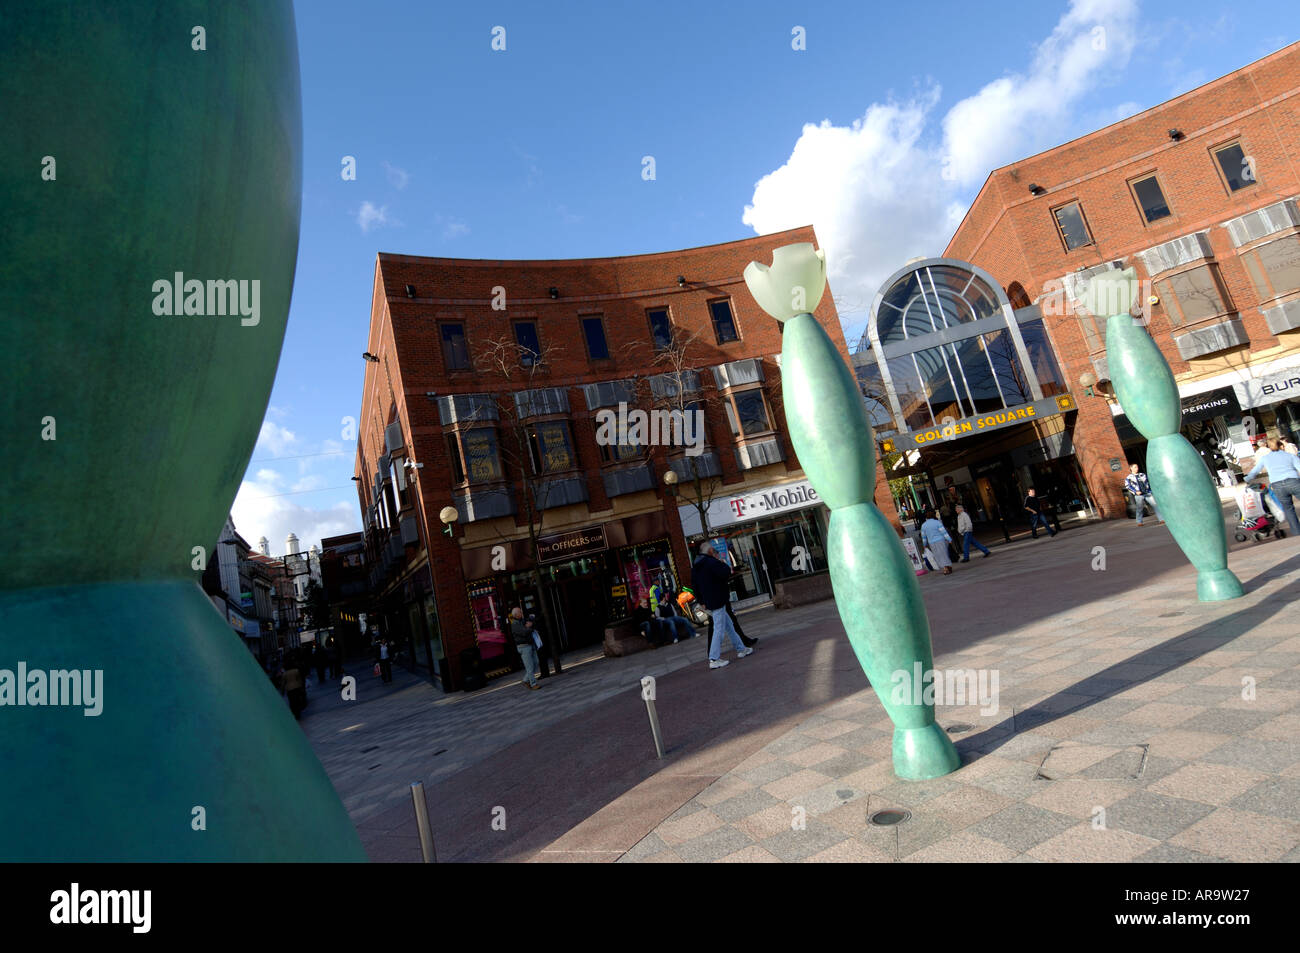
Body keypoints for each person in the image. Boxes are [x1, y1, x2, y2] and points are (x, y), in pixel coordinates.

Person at [690, 542, 752, 669]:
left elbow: (695, 585)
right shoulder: (712, 562)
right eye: (713, 549)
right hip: (718, 599)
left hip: (709, 601)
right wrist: (721, 561)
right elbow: (726, 572)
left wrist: (701, 601)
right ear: (710, 551)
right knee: (719, 629)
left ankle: (741, 649)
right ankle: (714, 658)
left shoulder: (696, 566)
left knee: (729, 626)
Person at [1245, 437, 1300, 534]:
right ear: (1280, 445)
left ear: (1269, 447)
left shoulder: (1265, 458)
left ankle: (1296, 532)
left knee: (1288, 509)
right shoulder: (1289, 456)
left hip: (1278, 486)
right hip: (1293, 482)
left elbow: (1255, 471)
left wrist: (1247, 479)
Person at [509, 607, 540, 690]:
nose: (522, 613)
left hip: (531, 644)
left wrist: (530, 625)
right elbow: (524, 632)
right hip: (524, 647)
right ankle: (533, 684)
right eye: (520, 612)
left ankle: (526, 680)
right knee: (529, 667)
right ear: (515, 614)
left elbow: (532, 625)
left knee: (536, 662)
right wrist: (529, 627)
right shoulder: (514, 624)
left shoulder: (523, 620)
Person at [920, 509, 954, 575]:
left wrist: (924, 545)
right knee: (944, 554)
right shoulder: (937, 522)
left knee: (937, 555)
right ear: (933, 516)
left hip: (931, 543)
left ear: (926, 517)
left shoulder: (923, 525)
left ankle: (945, 567)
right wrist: (949, 539)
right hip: (941, 540)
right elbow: (944, 532)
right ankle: (946, 567)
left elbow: (924, 537)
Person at [283, 652, 307, 719]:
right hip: (296, 687)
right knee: (297, 699)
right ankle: (298, 712)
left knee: (291, 701)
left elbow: (283, 683)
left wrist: (282, 691)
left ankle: (294, 711)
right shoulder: (296, 671)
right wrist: (301, 686)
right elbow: (299, 679)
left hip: (289, 689)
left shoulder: (285, 674)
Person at [528, 613, 552, 678]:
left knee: (541, 658)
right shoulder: (537, 621)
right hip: (539, 642)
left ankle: (545, 673)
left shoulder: (536, 623)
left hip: (539, 642)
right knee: (541, 658)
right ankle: (545, 673)